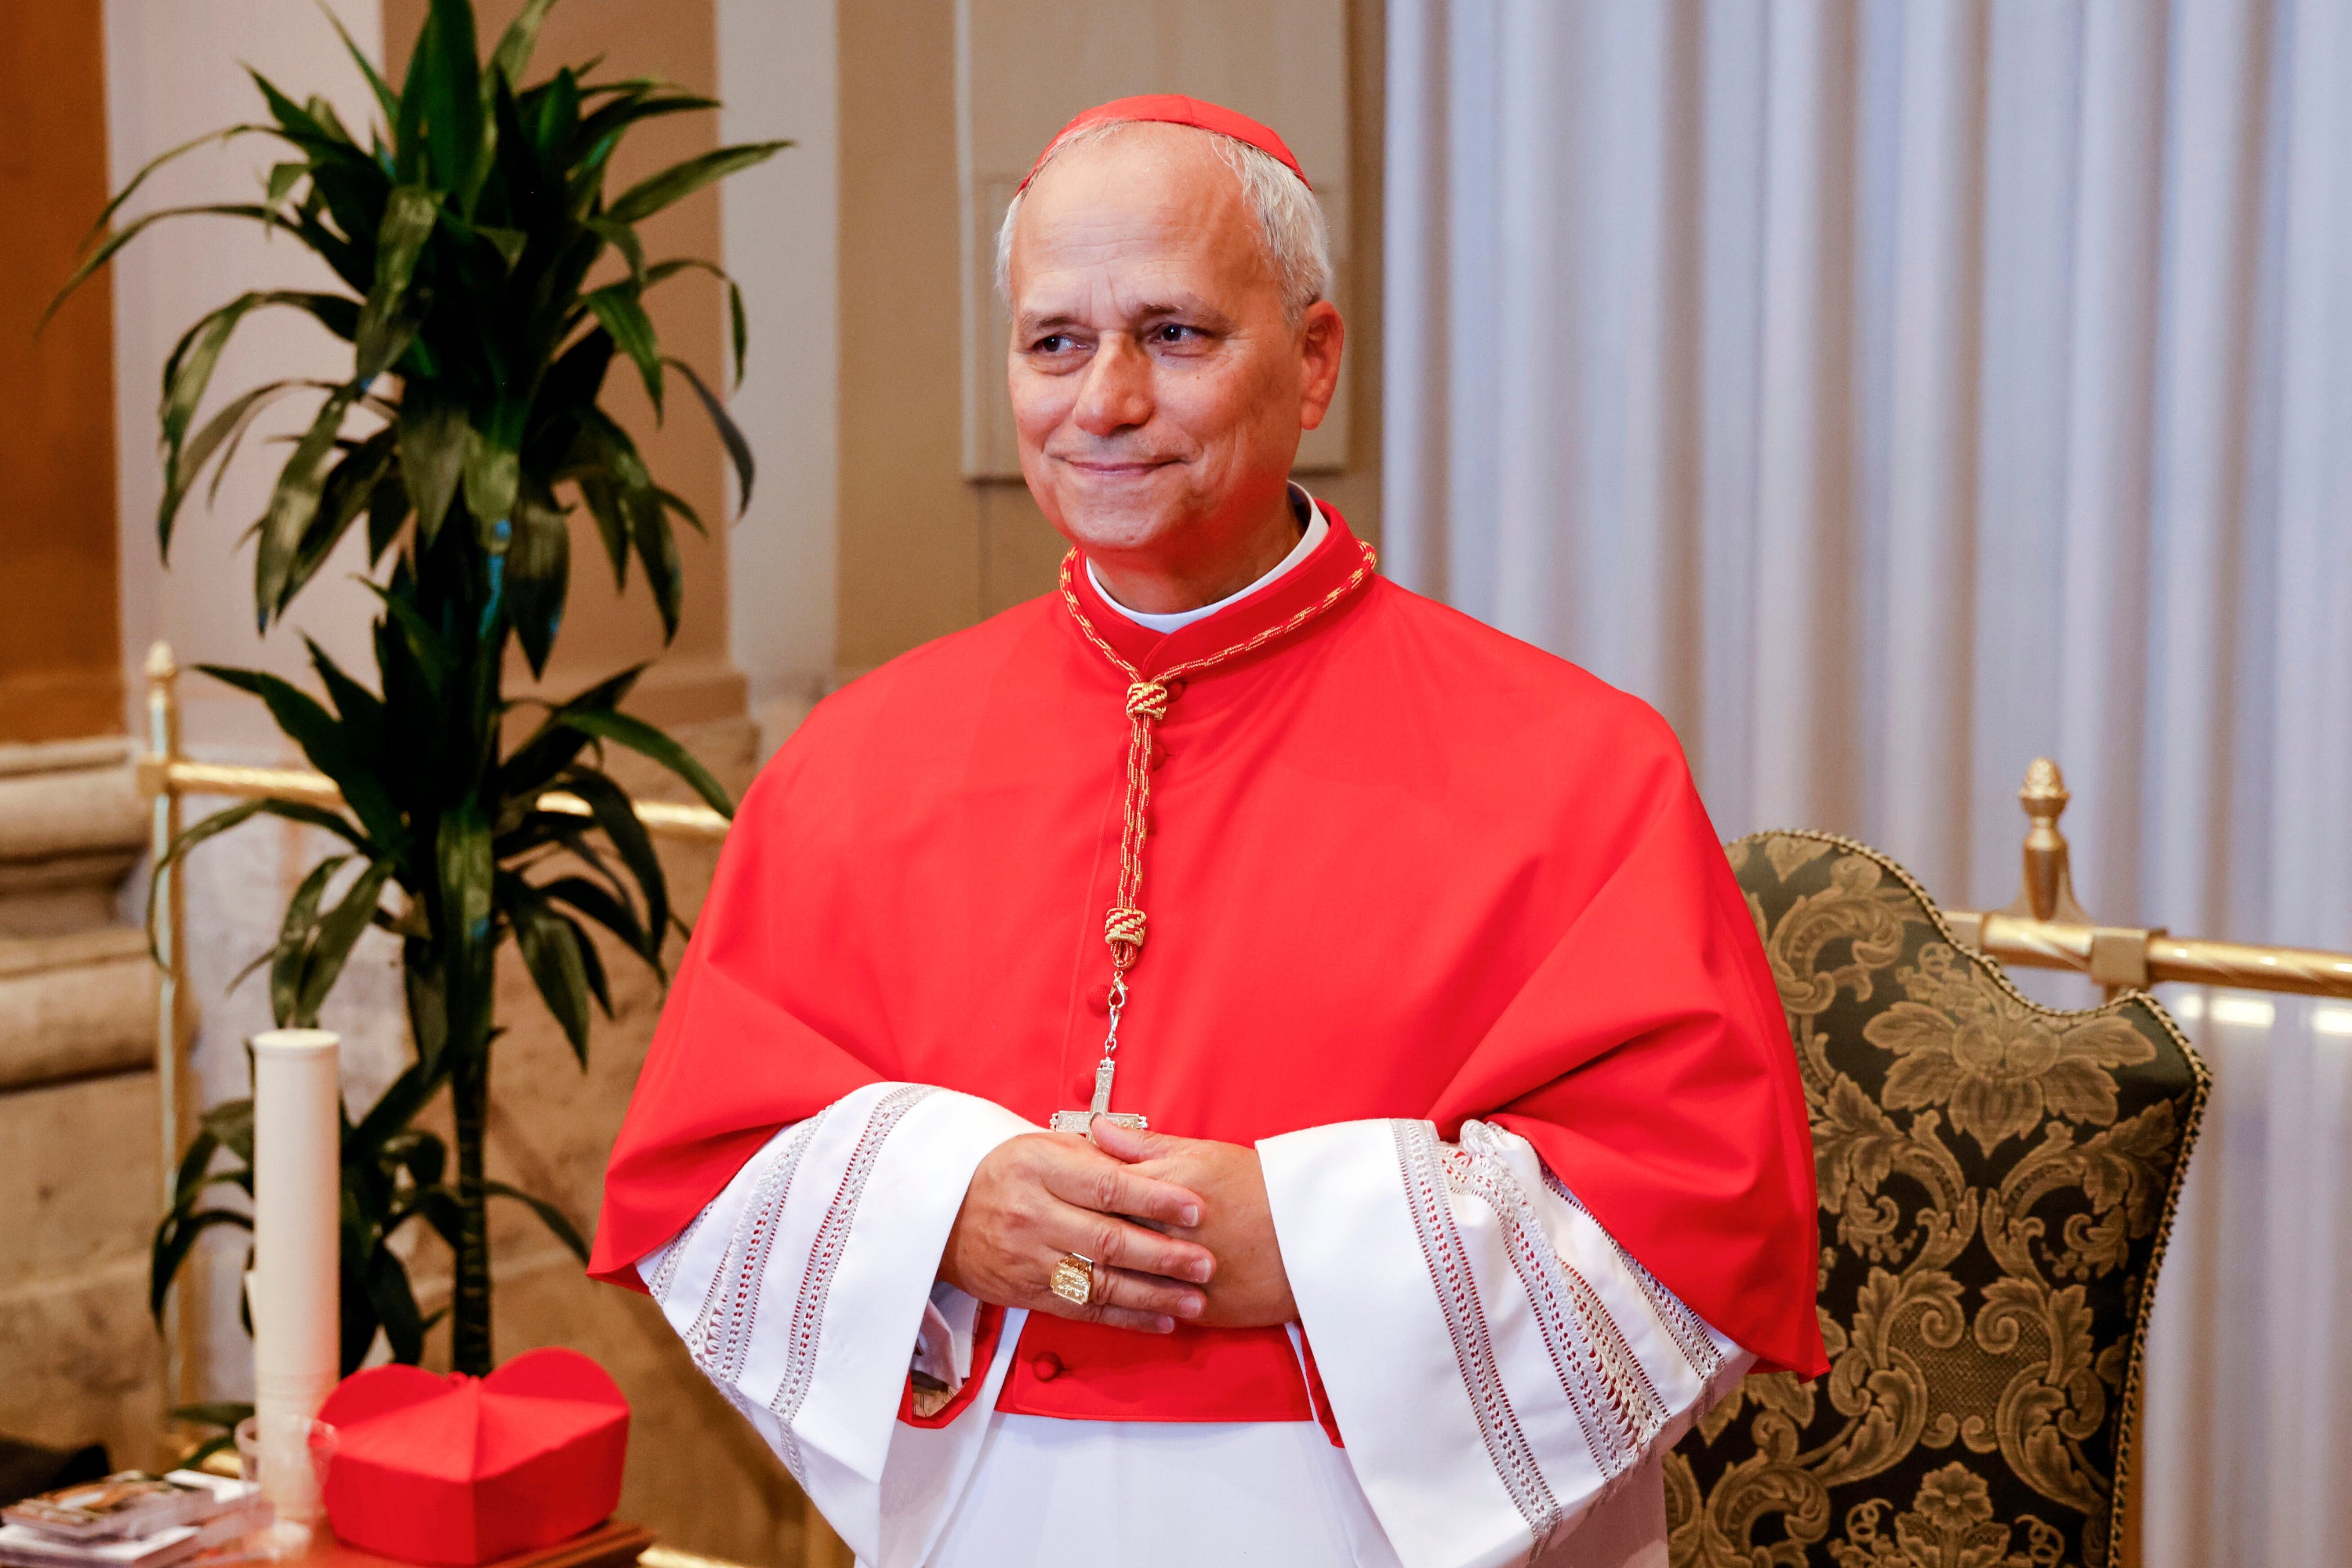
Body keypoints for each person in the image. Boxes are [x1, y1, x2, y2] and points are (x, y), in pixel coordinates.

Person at [589, 95, 1825, 1568]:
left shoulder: (1581, 768)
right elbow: (700, 1174)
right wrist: (942, 1199)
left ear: (1313, 360)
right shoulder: (853, 766)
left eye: (1174, 334)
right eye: (1055, 342)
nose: (1102, 400)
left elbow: (1695, 1221)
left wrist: (1307, 1239)